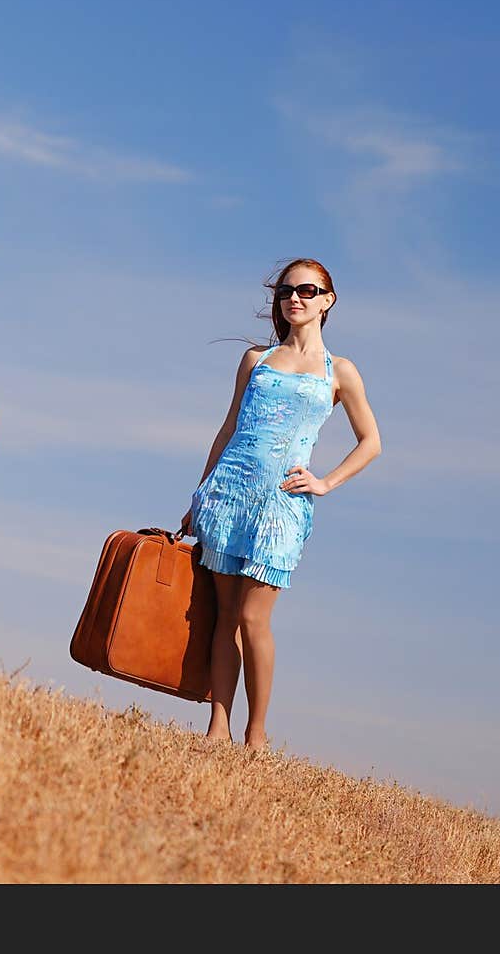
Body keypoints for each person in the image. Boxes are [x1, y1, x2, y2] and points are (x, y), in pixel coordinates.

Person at [180, 258, 381, 752]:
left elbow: (371, 440)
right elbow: (228, 429)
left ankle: (257, 734)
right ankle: (217, 727)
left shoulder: (341, 372)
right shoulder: (256, 360)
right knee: (224, 616)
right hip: (228, 495)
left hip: (282, 505)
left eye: (308, 291)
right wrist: (199, 494)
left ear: (327, 301)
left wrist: (326, 482)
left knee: (254, 619)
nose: (296, 298)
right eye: (288, 291)